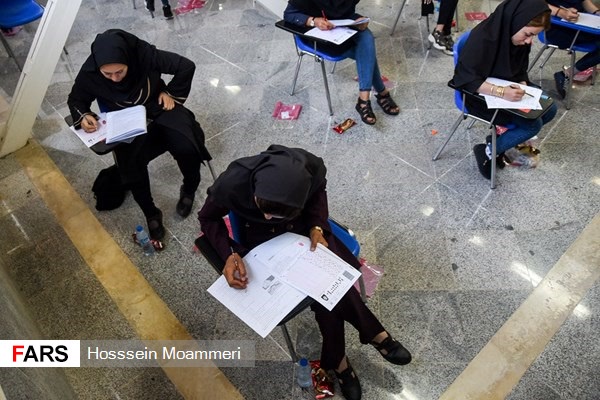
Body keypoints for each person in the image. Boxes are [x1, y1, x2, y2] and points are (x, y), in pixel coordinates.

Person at [197, 145, 411, 400]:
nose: (267, 215)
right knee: (328, 286)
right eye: (262, 207)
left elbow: (319, 191)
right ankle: (371, 336)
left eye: (273, 212)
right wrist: (229, 254)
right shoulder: (231, 183)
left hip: (302, 230)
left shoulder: (309, 169)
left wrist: (317, 226)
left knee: (327, 286)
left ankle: (340, 361)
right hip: (262, 242)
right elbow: (207, 218)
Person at [68, 29, 211, 240]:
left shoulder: (145, 55)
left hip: (158, 106)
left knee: (187, 145)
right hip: (126, 120)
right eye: (107, 74)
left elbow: (185, 66)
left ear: (128, 60)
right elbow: (76, 99)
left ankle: (189, 188)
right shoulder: (90, 72)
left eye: (120, 72)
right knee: (130, 166)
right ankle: (150, 212)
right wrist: (84, 116)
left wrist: (170, 93)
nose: (115, 79)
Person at [453, 0, 558, 180]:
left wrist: (523, 85)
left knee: (550, 109)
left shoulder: (517, 37)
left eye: (533, 36)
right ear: (514, 22)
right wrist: (502, 92)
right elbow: (465, 80)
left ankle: (505, 140)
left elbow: (520, 69)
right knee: (532, 125)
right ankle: (488, 151)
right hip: (478, 95)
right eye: (528, 34)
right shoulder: (482, 38)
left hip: (507, 87)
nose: (529, 41)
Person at [283, 0, 400, 125]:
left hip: (340, 28)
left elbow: (343, 12)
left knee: (366, 37)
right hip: (316, 35)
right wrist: (313, 21)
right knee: (366, 52)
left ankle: (364, 99)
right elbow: (289, 14)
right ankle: (380, 92)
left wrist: (358, 20)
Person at [544, 0, 600, 98]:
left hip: (580, 22)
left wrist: (596, 12)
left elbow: (583, 1)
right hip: (558, 26)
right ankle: (568, 73)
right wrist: (560, 12)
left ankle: (567, 73)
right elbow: (535, 4)